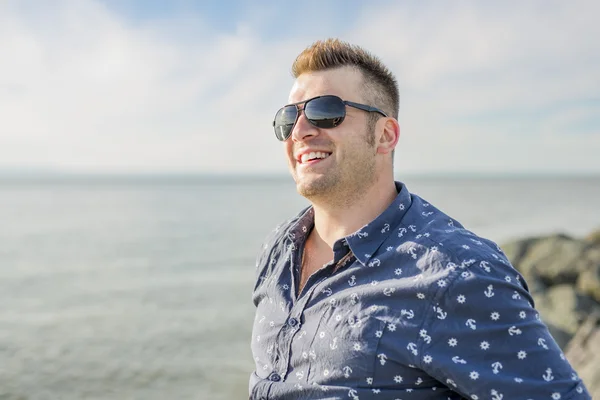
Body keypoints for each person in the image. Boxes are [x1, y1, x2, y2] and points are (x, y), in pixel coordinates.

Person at [249, 38, 591, 400]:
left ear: (384, 135)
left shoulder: (456, 271)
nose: (300, 131)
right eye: (289, 118)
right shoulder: (278, 249)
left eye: (324, 111)